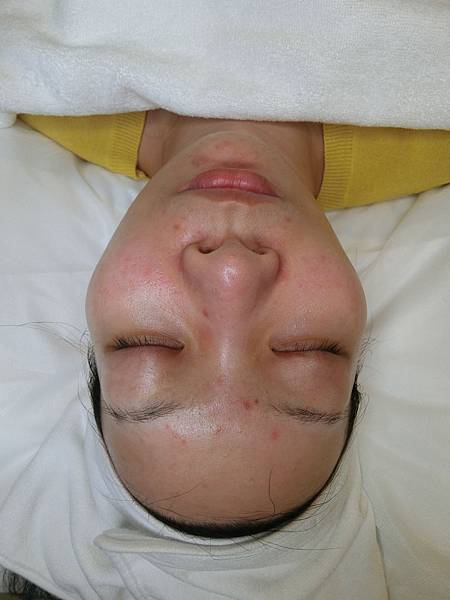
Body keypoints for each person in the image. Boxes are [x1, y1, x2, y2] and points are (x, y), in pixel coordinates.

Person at [2, 110, 448, 598]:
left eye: (150, 345)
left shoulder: (41, 102)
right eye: (306, 352)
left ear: (93, 340)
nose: (232, 270)